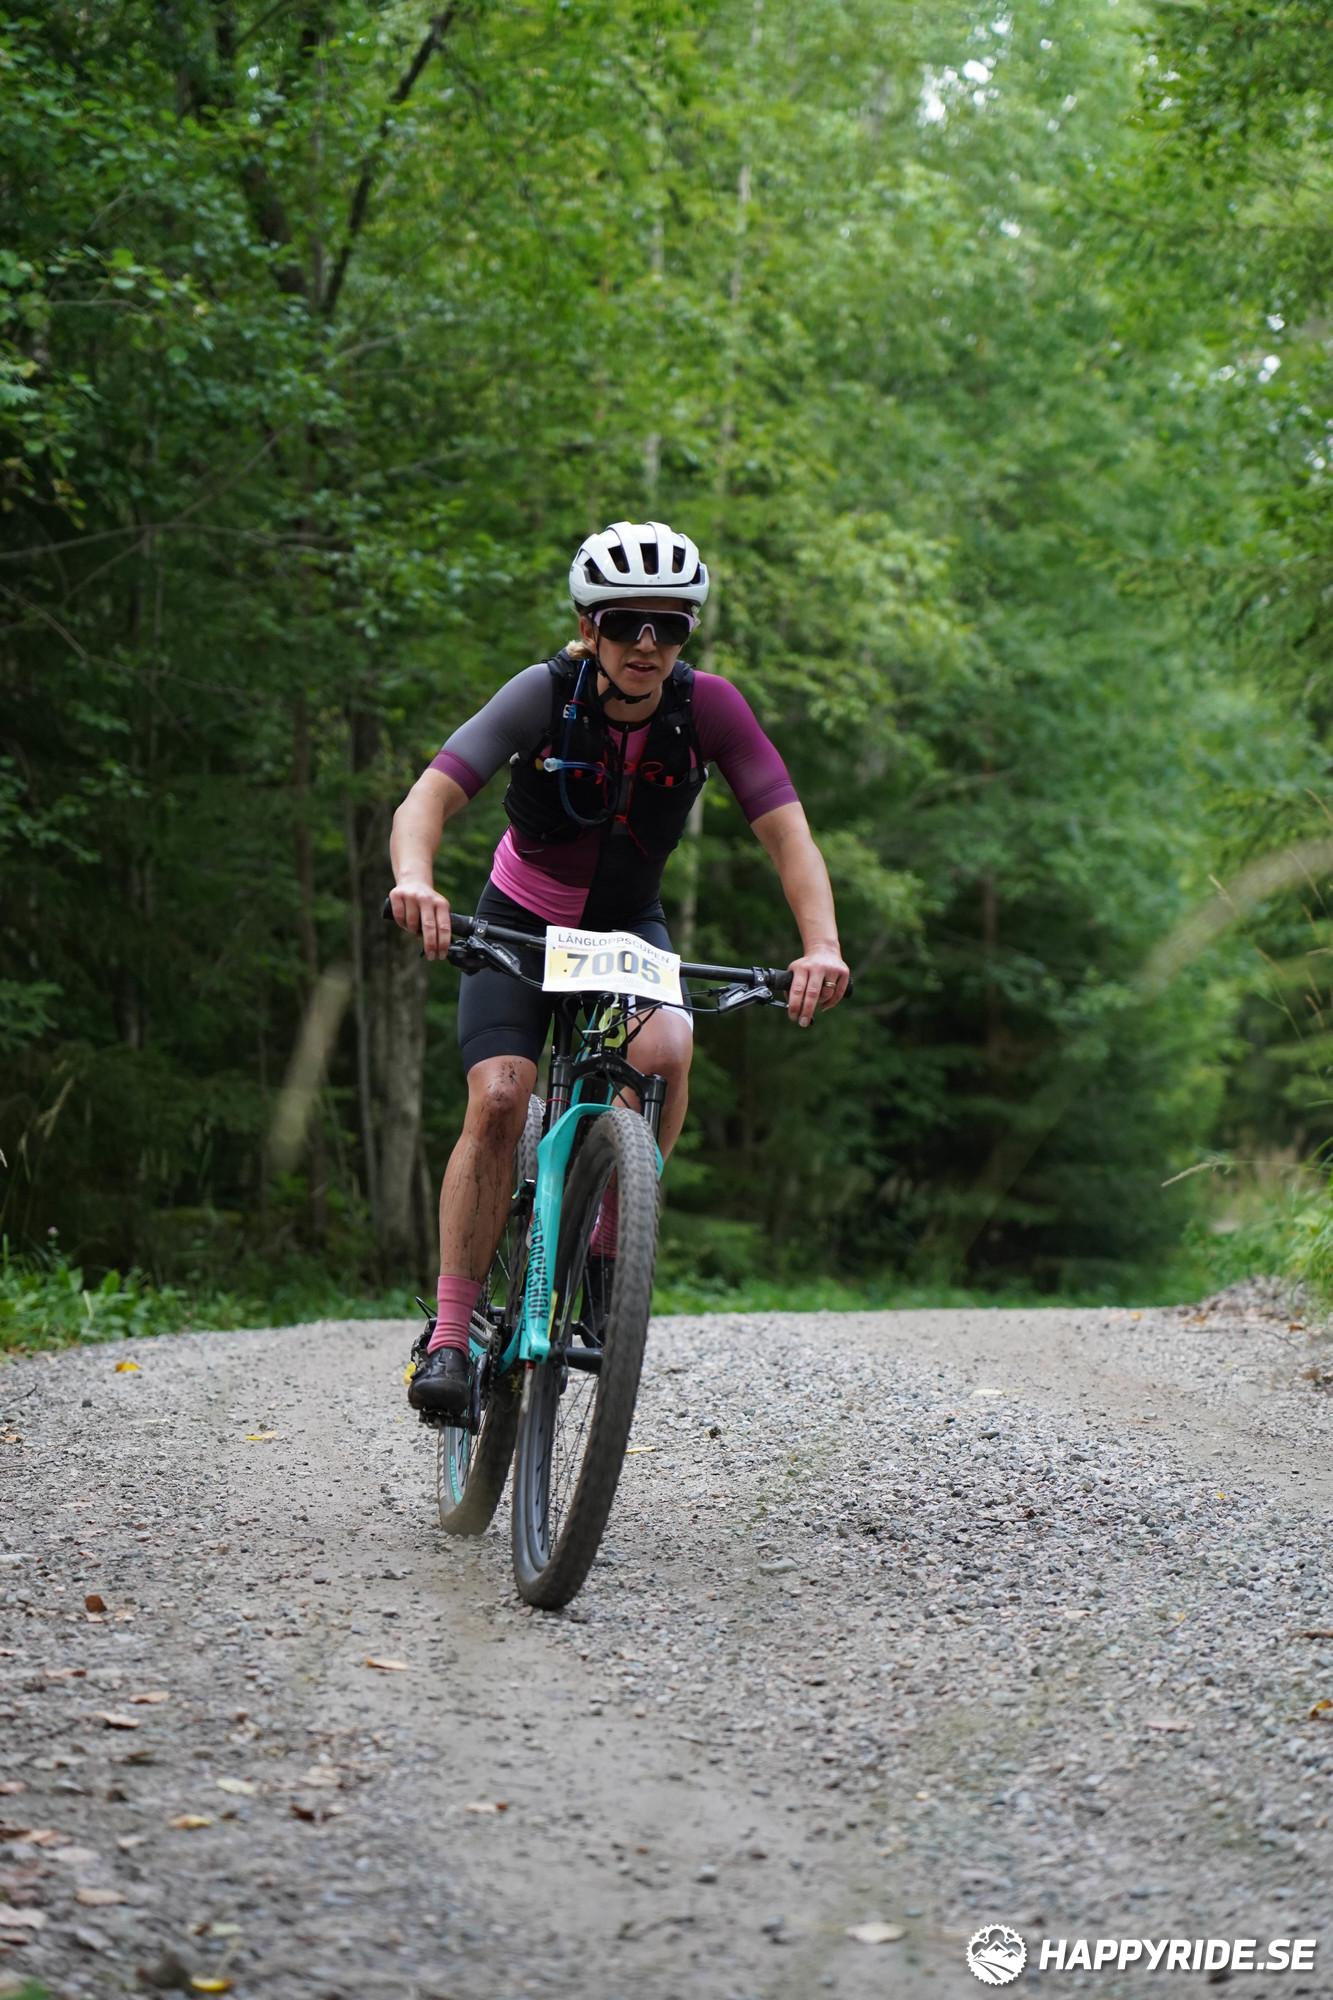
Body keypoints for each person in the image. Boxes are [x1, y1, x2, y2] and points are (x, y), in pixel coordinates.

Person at [389, 519, 849, 1417]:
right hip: (521, 919)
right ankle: (448, 1334)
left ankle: (608, 1258)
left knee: (667, 1048)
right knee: (500, 1097)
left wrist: (821, 944)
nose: (646, 642)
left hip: (626, 929)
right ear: (587, 626)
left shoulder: (709, 708)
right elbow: (428, 798)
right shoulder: (541, 694)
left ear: (686, 633)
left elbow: (788, 834)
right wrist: (415, 879)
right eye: (625, 622)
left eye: (668, 625)